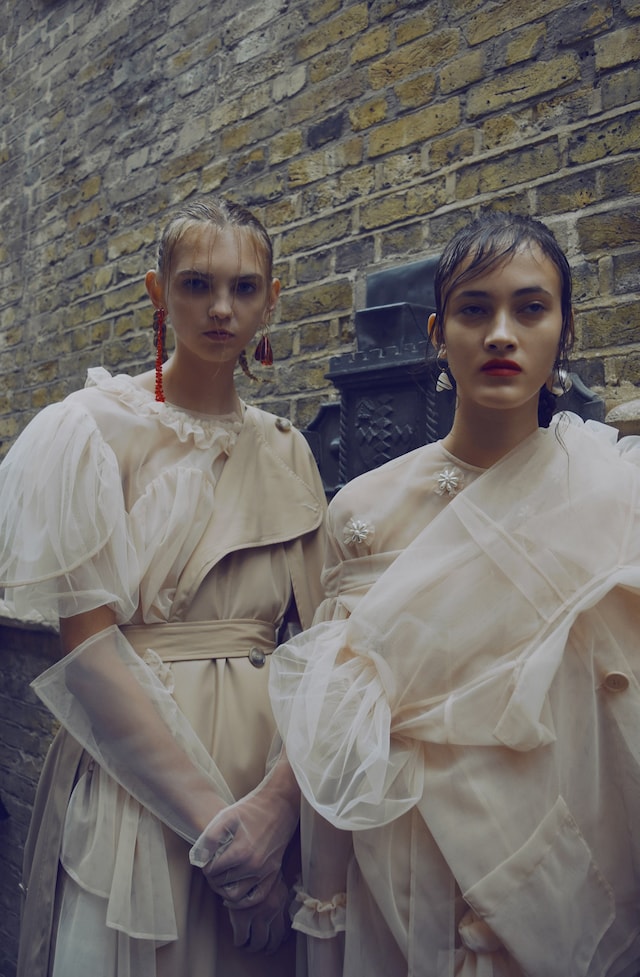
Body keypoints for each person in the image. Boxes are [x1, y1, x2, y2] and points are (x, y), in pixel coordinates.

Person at [269, 212, 640, 977]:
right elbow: (337, 721)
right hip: (397, 870)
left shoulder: (612, 495)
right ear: (440, 333)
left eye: (530, 308)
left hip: (555, 867)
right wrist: (327, 897)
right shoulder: (363, 512)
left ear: (564, 333)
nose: (501, 332)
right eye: (475, 309)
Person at [0, 196, 327, 977]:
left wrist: (276, 816)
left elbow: (325, 650)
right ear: (157, 291)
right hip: (139, 778)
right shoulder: (88, 432)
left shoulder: (289, 451)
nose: (222, 308)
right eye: (196, 284)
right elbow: (89, 652)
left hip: (268, 777)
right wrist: (224, 836)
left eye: (245, 288)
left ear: (272, 299)